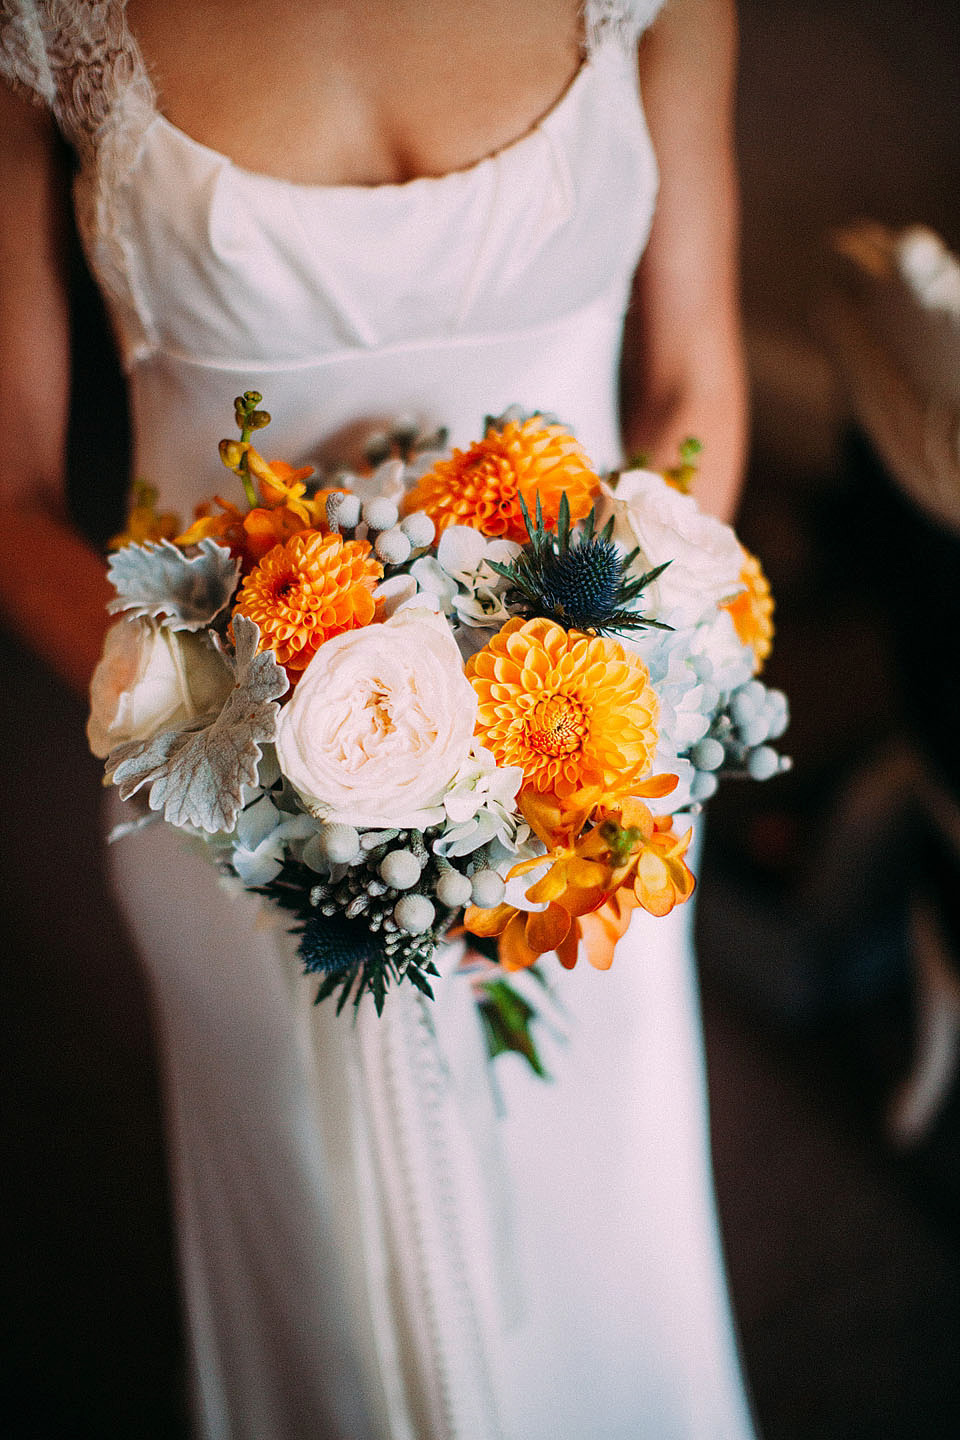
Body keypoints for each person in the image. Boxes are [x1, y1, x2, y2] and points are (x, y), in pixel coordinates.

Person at [0, 1, 754, 1436]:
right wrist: (233, 723)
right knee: (323, 1280)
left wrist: (587, 694)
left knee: (610, 1228)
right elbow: (10, 496)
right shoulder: (52, 26)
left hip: (586, 773)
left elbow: (691, 384)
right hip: (228, 804)